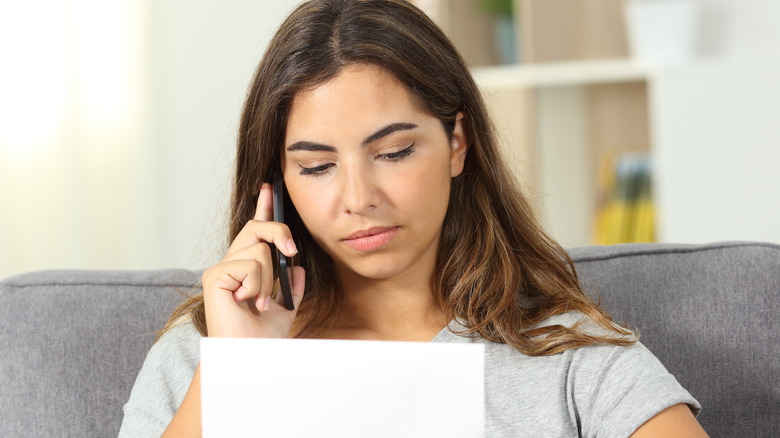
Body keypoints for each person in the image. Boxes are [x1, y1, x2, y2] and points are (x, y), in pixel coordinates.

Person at [119, 0, 707, 436]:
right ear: (277, 183)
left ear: (457, 142)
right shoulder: (204, 352)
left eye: (394, 153)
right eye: (318, 166)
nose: (358, 197)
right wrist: (238, 370)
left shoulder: (567, 353)